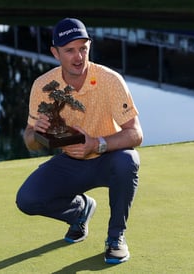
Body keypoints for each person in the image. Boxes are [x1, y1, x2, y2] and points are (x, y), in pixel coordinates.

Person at [16, 18, 143, 264]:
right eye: (69, 50)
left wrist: (97, 144)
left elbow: (135, 134)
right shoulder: (43, 86)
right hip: (70, 163)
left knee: (129, 160)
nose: (78, 57)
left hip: (108, 158)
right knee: (27, 199)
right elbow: (30, 142)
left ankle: (116, 237)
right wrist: (37, 133)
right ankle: (79, 211)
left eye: (83, 48)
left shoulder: (110, 80)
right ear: (55, 53)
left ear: (89, 47)